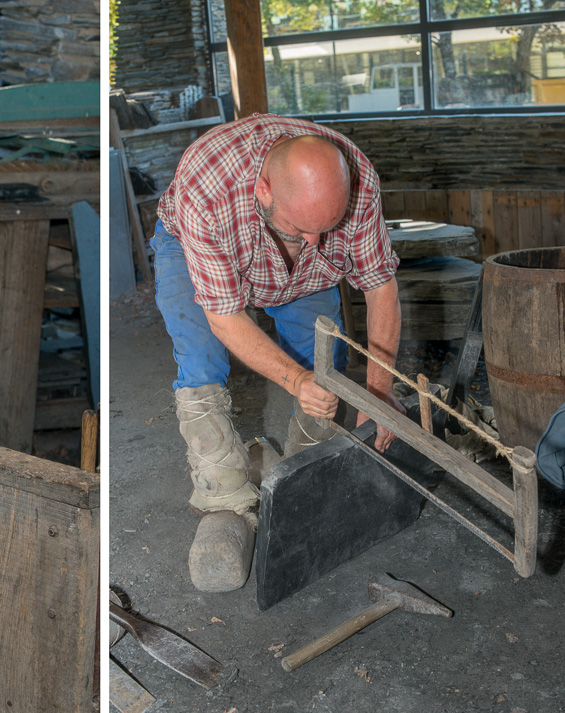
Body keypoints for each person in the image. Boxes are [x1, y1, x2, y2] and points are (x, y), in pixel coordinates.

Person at [151, 114, 402, 593]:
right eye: (299, 225)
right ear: (264, 189)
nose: (313, 242)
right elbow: (225, 316)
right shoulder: (208, 186)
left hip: (300, 277)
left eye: (327, 227)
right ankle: (225, 497)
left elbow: (380, 287)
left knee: (324, 364)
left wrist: (379, 391)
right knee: (202, 360)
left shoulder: (358, 181)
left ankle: (303, 477)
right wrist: (293, 382)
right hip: (196, 248)